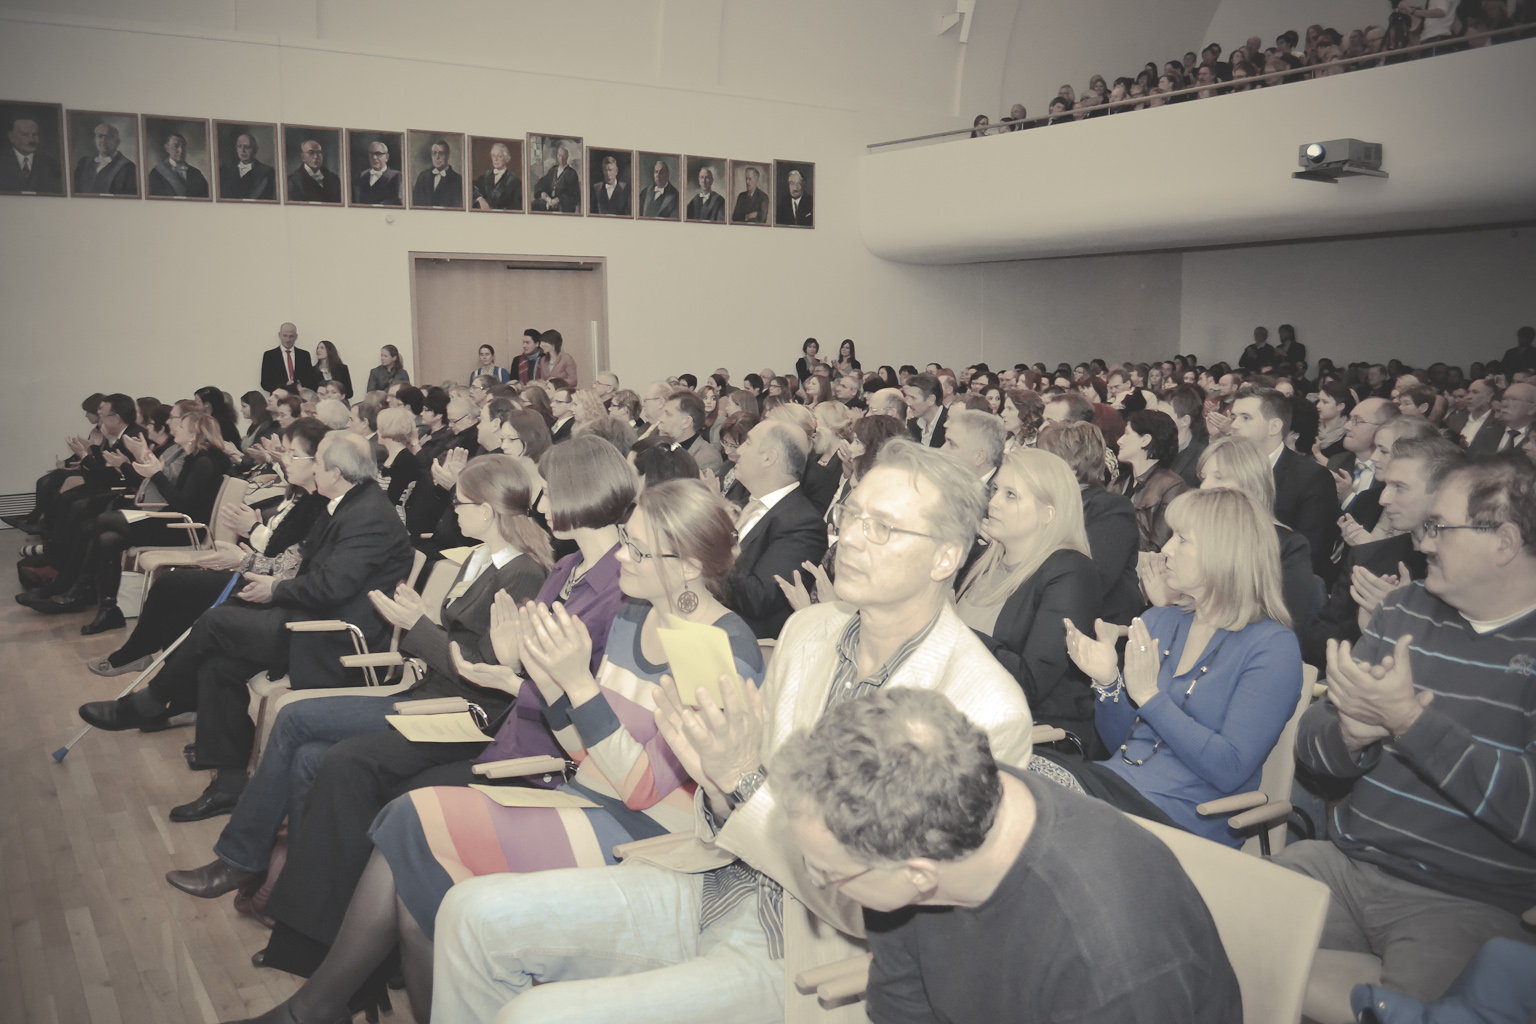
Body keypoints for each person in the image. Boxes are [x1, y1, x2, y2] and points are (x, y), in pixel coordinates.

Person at [431, 440, 1032, 1024]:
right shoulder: (810, 632)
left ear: (945, 558)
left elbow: (879, 900)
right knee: (470, 913)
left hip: (813, 943)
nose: (849, 538)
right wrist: (719, 782)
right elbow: (731, 796)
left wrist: (739, 782)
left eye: (883, 528)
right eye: (852, 516)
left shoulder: (979, 704)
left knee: (535, 1015)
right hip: (719, 876)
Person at [236, 476, 757, 1024]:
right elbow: (582, 751)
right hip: (588, 794)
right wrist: (550, 681)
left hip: (649, 836)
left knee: (414, 836)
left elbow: (640, 788)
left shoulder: (719, 647)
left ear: (689, 567)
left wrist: (576, 684)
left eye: (639, 550)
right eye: (626, 538)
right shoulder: (635, 614)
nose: (621, 555)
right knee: (415, 870)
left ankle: (315, 1008)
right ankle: (319, 1006)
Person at [162, 451, 552, 910]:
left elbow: (483, 670)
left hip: (458, 712)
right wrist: (421, 623)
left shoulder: (523, 573)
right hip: (430, 691)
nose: (453, 512)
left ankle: (242, 860)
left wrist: (418, 626)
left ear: (486, 511)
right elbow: (457, 643)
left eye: (460, 504)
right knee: (309, 756)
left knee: (294, 719)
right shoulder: (480, 558)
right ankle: (296, 888)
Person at [777, 688, 1242, 1024]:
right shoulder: (926, 811)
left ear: (918, 876)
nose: (820, 878)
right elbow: (902, 1004)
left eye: (827, 873)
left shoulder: (1108, 960)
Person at [1275, 454, 1536, 1006]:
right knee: (1211, 929)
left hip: (1467, 903)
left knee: (1423, 1010)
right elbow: (1312, 745)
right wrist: (1350, 737)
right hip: (1346, 864)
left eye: (1439, 527)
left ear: (1505, 542)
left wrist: (1410, 723)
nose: (1423, 543)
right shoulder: (1407, 609)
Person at [76, 433, 416, 819]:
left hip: (335, 638)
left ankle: (150, 701)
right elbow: (311, 569)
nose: (313, 470)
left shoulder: (368, 515)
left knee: (216, 622)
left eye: (318, 462)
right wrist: (267, 584)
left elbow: (331, 586)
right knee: (218, 663)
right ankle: (229, 785)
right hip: (311, 619)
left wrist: (274, 589)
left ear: (335, 473)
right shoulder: (347, 502)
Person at [1059, 486, 1303, 846]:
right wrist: (1108, 683)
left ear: (1224, 553)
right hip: (1117, 790)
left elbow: (1230, 769)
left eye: (1182, 540)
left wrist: (1150, 697)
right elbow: (1121, 745)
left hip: (1189, 818)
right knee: (1020, 786)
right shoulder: (1158, 620)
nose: (1166, 550)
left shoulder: (1272, 648)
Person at [86, 418, 330, 677]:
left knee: (169, 584)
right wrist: (252, 538)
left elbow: (290, 564)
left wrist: (250, 538)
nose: (283, 459)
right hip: (255, 570)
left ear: (318, 462)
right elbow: (278, 549)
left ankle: (144, 660)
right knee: (170, 600)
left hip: (255, 578)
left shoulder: (318, 506)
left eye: (292, 454)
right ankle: (172, 682)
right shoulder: (301, 497)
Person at [26, 412, 233, 632]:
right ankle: (107, 609)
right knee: (107, 539)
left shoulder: (204, 462)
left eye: (182, 426)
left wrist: (156, 474)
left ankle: (73, 589)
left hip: (184, 528)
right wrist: (154, 472)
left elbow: (182, 503)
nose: (175, 428)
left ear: (193, 434)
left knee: (101, 521)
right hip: (173, 520)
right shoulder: (196, 459)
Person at [956, 448, 1103, 752]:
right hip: (962, 713)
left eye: (1011, 495)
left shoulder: (1071, 571)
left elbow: (1029, 684)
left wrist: (951, 629)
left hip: (1036, 735)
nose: (993, 502)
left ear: (1048, 513)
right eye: (996, 490)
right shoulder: (980, 560)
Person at [1304, 434, 1464, 668]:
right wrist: (1373, 622)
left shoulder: (1467, 570)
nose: (1383, 499)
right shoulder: (1368, 557)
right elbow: (1319, 644)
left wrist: (1403, 615)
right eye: (1386, 485)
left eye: (1400, 487)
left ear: (1443, 493)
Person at [1194, 436, 1319, 646]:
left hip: (1250, 649)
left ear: (1250, 483)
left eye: (1219, 477)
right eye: (1203, 478)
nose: (1204, 487)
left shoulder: (1289, 547)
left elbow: (1284, 624)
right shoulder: (1195, 536)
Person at [726, 419, 828, 639]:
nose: (738, 451)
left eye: (748, 443)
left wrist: (718, 547)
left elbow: (758, 598)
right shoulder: (744, 501)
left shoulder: (802, 523)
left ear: (768, 458)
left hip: (743, 641)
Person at [1230, 386, 1340, 575]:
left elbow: (1309, 553)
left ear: (1274, 427)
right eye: (1234, 417)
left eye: (1245, 418)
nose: (1234, 425)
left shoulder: (1311, 478)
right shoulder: (1226, 467)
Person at [1112, 409, 1189, 551]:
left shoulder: (1172, 486)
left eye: (1127, 433)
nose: (1119, 441)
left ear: (1145, 440)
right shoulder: (1118, 482)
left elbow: (1157, 548)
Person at [657, 389, 723, 476]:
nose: (661, 419)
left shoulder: (707, 459)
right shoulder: (660, 448)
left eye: (668, 414)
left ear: (686, 422)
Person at [1, 111, 64, 193]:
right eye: (24, 135)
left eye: (34, 135)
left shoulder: (50, 163)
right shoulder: (2, 161)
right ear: (11, 137)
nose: (31, 140)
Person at [72, 120, 136, 195]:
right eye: (100, 136)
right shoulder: (84, 163)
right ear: (95, 140)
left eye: (109, 137)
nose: (103, 140)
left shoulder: (128, 167)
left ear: (117, 142)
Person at [146, 129, 210, 198]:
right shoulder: (156, 173)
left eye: (183, 146)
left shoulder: (196, 173)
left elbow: (207, 197)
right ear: (167, 148)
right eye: (175, 146)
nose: (180, 150)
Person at [218, 130, 276, 200]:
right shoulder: (224, 170)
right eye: (239, 146)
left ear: (255, 149)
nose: (243, 151)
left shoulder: (267, 172)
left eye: (247, 147)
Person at [286, 137, 342, 204]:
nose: (316, 157)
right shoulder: (294, 181)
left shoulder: (334, 178)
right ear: (303, 157)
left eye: (319, 152)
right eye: (311, 153)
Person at [410, 137, 462, 207]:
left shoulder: (458, 180)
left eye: (441, 153)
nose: (437, 157)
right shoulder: (423, 177)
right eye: (434, 153)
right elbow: (415, 203)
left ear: (447, 156)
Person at [471, 140, 522, 210]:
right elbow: (473, 188)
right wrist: (480, 198)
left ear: (507, 159)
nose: (495, 159)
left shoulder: (514, 181)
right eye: (493, 156)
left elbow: (516, 207)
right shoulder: (486, 175)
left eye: (500, 156)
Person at [1459, 377, 1504, 454]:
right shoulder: (1456, 419)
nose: (1468, 397)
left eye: (1475, 392)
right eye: (1468, 392)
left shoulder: (1498, 423)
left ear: (1490, 397)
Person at [902, 372, 948, 448]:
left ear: (931, 400)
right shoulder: (912, 425)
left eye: (913, 398)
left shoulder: (949, 425)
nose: (908, 403)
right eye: (907, 397)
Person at [352, 139, 401, 205]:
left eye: (378, 154)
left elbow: (394, 201)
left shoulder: (395, 176)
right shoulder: (362, 176)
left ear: (386, 157)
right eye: (371, 154)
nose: (374, 157)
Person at [532, 144, 579, 213]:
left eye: (564, 156)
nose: (561, 158)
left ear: (567, 157)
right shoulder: (553, 170)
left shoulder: (571, 173)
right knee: (534, 205)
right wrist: (543, 193)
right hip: (549, 202)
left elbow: (574, 196)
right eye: (560, 156)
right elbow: (543, 183)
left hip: (562, 206)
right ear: (557, 156)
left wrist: (558, 199)